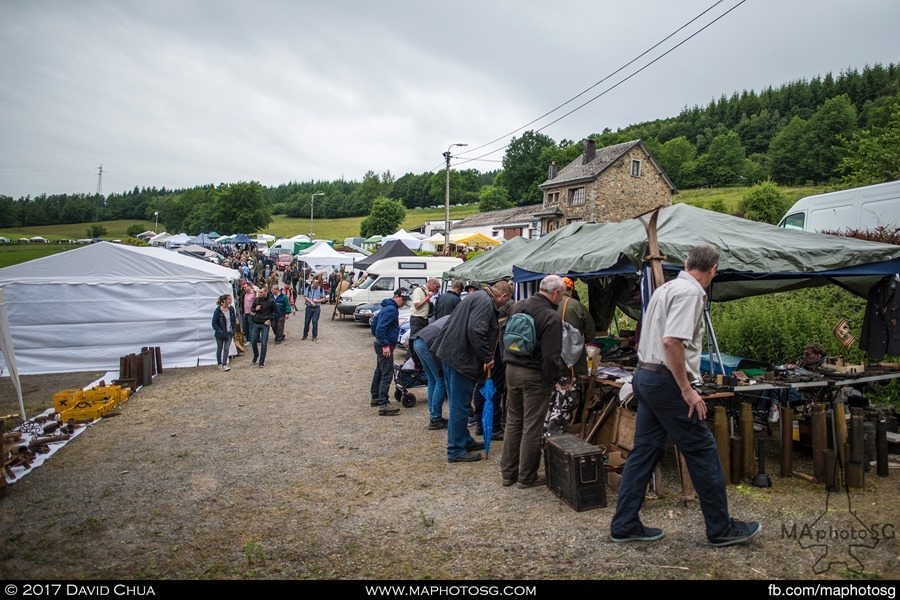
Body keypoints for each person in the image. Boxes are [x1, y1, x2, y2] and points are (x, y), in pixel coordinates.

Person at [610, 244, 761, 547]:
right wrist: (686, 389)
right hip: (665, 381)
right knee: (702, 450)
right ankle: (720, 528)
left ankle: (625, 524)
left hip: (646, 375)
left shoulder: (665, 288)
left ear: (689, 262)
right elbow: (671, 342)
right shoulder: (691, 294)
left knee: (645, 452)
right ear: (713, 270)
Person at [434, 281, 513, 463]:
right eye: (505, 301)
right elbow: (476, 330)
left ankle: (464, 440)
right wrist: (488, 357)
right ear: (503, 296)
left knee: (458, 402)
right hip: (460, 357)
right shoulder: (485, 301)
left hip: (451, 353)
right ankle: (456, 449)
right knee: (460, 405)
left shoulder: (477, 296)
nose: (503, 305)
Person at [499, 275, 564, 488]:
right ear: (555, 293)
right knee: (532, 426)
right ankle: (527, 476)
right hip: (534, 375)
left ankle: (508, 473)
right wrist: (554, 379)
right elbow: (551, 357)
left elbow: (504, 337)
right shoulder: (550, 316)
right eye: (561, 295)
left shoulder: (517, 306)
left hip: (512, 369)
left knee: (514, 421)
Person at [370, 288, 411, 416]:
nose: (404, 303)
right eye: (403, 300)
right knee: (387, 374)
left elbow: (375, 323)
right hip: (385, 345)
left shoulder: (387, 307)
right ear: (396, 297)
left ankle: (375, 397)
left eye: (405, 301)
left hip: (381, 343)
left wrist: (378, 338)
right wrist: (385, 345)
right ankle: (383, 404)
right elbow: (381, 327)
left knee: (380, 371)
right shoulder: (391, 309)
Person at [409, 315, 451, 430]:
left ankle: (433, 413)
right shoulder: (458, 321)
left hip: (418, 341)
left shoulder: (449, 316)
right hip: (428, 343)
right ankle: (435, 418)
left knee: (432, 379)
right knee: (441, 380)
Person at [558, 277, 597, 377]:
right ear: (571, 290)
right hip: (575, 361)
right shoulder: (577, 305)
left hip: (553, 360)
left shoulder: (549, 304)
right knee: (574, 387)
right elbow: (591, 332)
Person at [250, 284, 277, 368]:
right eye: (259, 292)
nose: (260, 293)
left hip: (265, 323)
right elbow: (252, 309)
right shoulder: (257, 300)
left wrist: (270, 319)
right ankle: (256, 354)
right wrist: (255, 309)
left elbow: (277, 312)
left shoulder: (271, 301)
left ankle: (261, 361)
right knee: (253, 341)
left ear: (266, 292)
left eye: (261, 292)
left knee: (264, 343)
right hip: (256, 322)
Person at [211, 294, 236, 371]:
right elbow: (214, 323)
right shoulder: (218, 310)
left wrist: (233, 330)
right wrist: (219, 330)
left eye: (231, 299)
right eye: (229, 299)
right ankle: (219, 363)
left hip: (229, 332)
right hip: (220, 333)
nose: (230, 301)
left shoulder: (231, 309)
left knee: (226, 348)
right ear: (224, 301)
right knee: (220, 348)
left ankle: (225, 364)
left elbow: (233, 320)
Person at [239, 281, 256, 345]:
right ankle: (248, 339)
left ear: (249, 286)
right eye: (243, 288)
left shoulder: (254, 293)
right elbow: (242, 303)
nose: (244, 289)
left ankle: (251, 340)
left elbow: (256, 302)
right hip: (245, 313)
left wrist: (254, 311)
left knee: (251, 327)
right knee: (245, 327)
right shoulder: (244, 294)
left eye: (245, 287)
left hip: (251, 313)